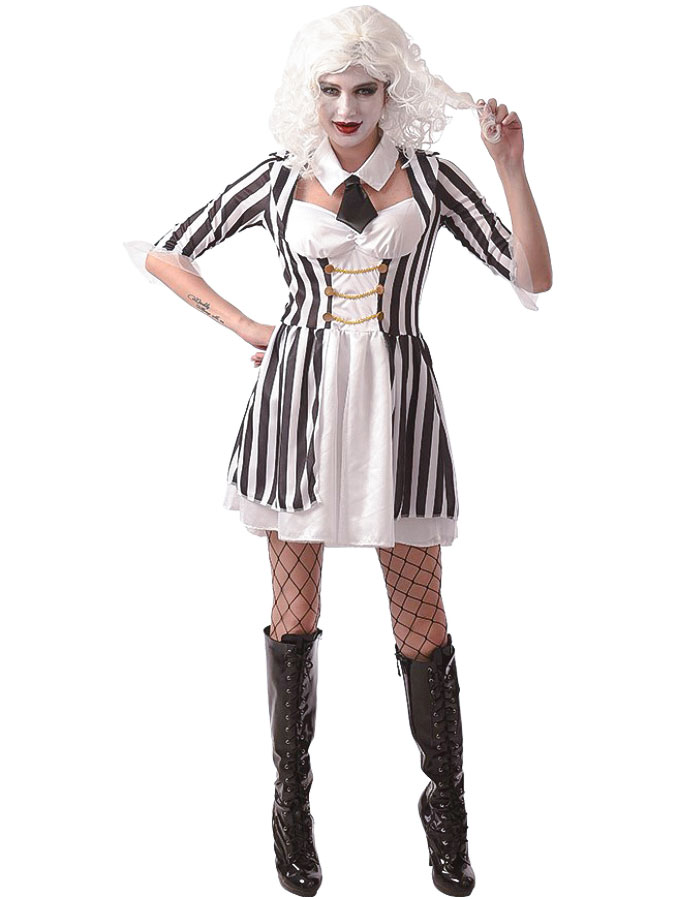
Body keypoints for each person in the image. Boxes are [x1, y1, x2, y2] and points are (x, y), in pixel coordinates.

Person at [124, 4, 552, 896]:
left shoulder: (431, 180)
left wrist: (510, 168)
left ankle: (448, 816)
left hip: (401, 415)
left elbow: (532, 273)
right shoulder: (281, 178)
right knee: (293, 619)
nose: (346, 108)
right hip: (297, 411)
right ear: (309, 93)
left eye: (364, 90)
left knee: (423, 625)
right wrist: (247, 324)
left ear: (391, 93)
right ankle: (292, 808)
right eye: (330, 90)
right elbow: (168, 252)